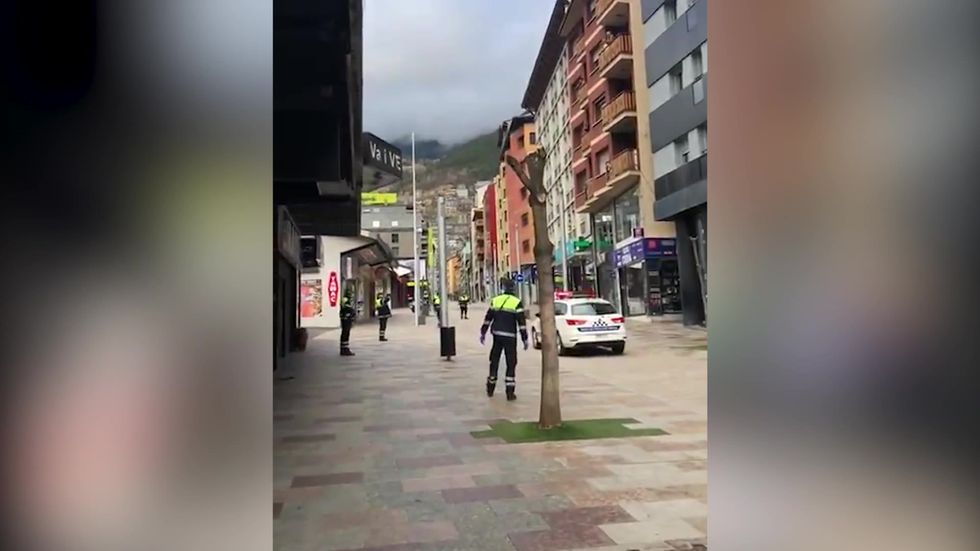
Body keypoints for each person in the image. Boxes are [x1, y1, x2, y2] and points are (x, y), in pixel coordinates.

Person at [479, 278, 528, 401]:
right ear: (513, 289)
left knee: (494, 360)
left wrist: (483, 332)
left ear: (503, 288)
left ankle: (490, 387)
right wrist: (525, 339)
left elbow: (488, 318)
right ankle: (510, 393)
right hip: (510, 336)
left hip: (497, 335)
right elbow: (521, 323)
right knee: (511, 362)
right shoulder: (517, 302)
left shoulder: (496, 300)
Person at [339, 291, 356, 356]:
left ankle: (344, 348)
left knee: (345, 333)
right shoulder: (346, 300)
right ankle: (345, 349)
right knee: (345, 334)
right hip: (346, 320)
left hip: (345, 319)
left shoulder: (344, 300)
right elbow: (347, 309)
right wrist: (350, 314)